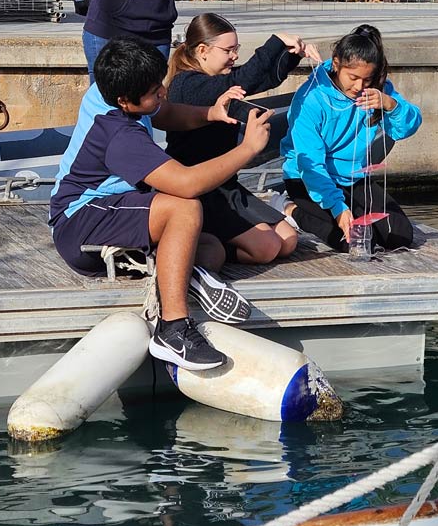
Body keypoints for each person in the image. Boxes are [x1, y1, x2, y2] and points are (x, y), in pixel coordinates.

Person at [50, 36, 272, 371]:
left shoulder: (114, 91)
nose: (163, 93)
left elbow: (163, 111)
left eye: (160, 85)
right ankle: (173, 329)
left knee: (212, 248)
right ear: (125, 101)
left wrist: (210, 113)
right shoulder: (119, 135)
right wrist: (248, 150)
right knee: (185, 207)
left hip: (116, 207)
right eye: (155, 91)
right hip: (79, 222)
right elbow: (187, 183)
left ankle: (187, 276)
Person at [166, 13, 320, 264]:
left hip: (227, 188)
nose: (234, 55)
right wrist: (276, 41)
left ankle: (241, 234)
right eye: (228, 50)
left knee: (288, 240)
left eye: (236, 49)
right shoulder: (188, 84)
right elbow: (242, 80)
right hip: (202, 191)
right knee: (267, 248)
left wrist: (292, 55)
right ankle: (209, 241)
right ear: (203, 50)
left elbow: (263, 78)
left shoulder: (216, 82)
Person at [280, 24, 422, 252]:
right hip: (308, 177)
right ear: (336, 63)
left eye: (367, 79)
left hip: (352, 177)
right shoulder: (311, 98)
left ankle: (342, 209)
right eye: (353, 77)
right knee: (354, 242)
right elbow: (310, 163)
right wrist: (338, 208)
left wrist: (390, 104)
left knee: (400, 237)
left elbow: (404, 129)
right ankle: (288, 208)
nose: (359, 87)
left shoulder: (376, 89)